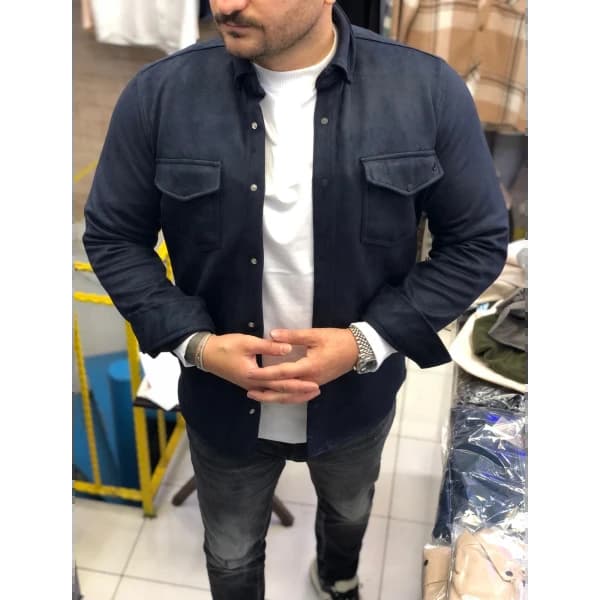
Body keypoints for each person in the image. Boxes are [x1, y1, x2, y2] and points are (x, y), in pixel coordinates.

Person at [83, 1, 509, 598]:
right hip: (221, 399)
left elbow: (477, 242)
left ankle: (337, 577)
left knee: (350, 509)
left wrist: (366, 343)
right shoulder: (160, 95)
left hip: (355, 394)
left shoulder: (425, 91)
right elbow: (114, 237)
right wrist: (194, 344)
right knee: (230, 548)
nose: (226, 4)